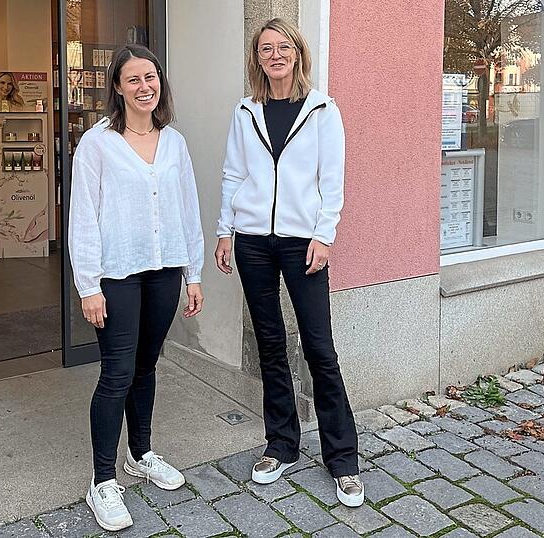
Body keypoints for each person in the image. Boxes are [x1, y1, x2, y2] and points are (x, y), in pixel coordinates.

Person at [214, 18, 364, 508]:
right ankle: (282, 445)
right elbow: (234, 174)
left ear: (298, 54)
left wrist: (324, 236)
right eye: (265, 49)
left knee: (319, 348)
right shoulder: (246, 111)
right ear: (256, 58)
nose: (275, 55)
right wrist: (225, 230)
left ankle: (342, 458)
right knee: (271, 345)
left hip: (304, 243)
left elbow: (332, 180)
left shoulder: (322, 110)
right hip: (254, 241)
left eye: (283, 47)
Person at [69, 44, 204, 532]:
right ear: (118, 88)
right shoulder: (98, 143)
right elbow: (83, 216)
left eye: (151, 77)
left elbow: (189, 210)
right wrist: (88, 285)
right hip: (117, 275)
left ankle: (140, 454)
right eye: (133, 79)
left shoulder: (175, 143)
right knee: (117, 373)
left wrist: (194, 275)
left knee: (146, 366)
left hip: (166, 270)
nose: (144, 87)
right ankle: (102, 480)